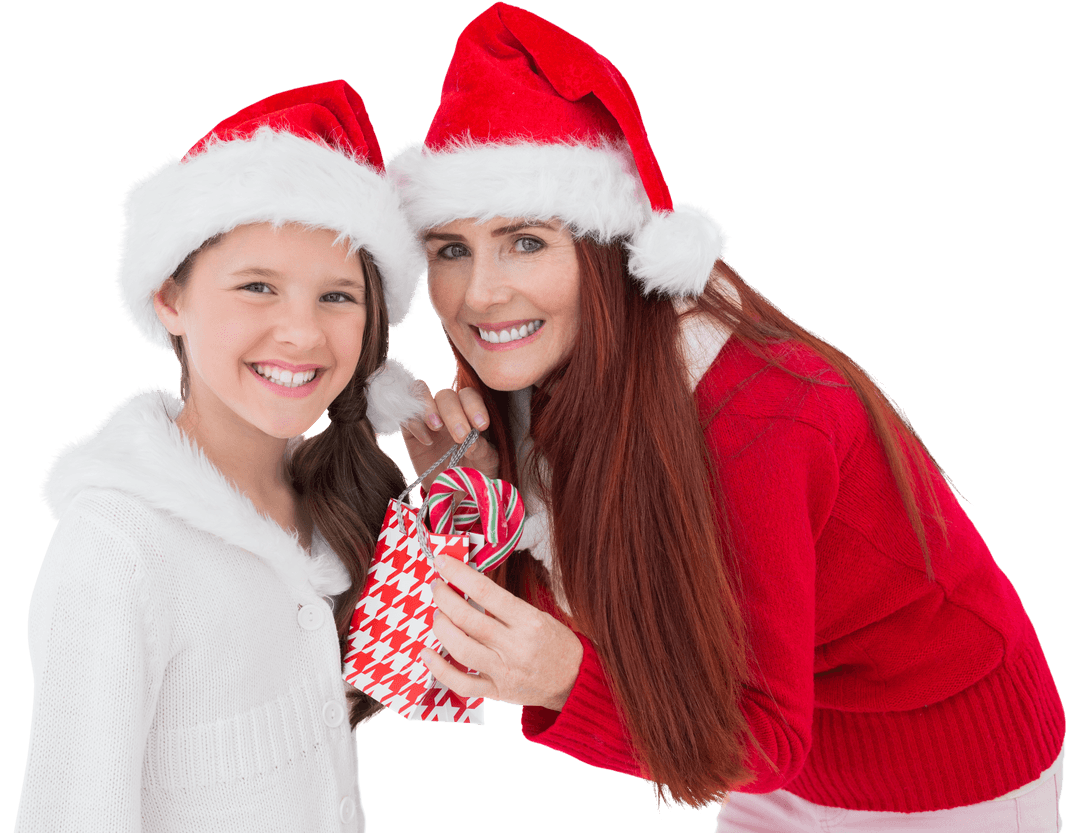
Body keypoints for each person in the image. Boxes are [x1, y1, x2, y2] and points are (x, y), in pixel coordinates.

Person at [392, 4, 1066, 830]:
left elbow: (755, 731)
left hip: (940, 765)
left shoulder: (758, 418)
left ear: (605, 252)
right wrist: (489, 492)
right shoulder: (544, 375)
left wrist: (570, 682)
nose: (480, 292)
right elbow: (606, 597)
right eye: (451, 248)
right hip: (771, 746)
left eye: (525, 240)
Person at [15, 80, 425, 832]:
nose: (301, 333)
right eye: (258, 287)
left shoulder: (327, 506)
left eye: (337, 297)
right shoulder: (119, 553)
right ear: (171, 296)